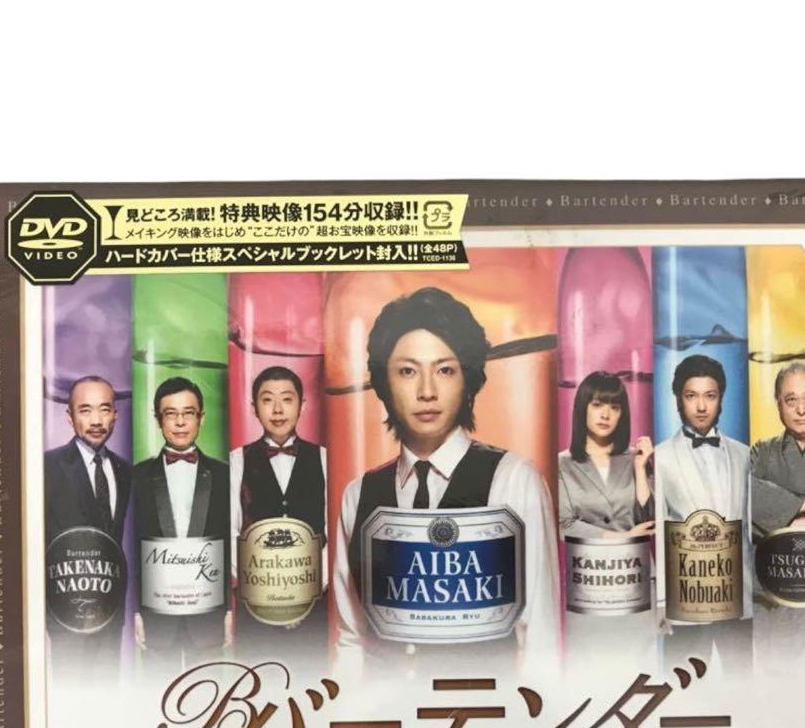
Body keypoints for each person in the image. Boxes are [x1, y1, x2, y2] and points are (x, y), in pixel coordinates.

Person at [332, 287, 559, 677]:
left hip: (481, 709)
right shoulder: (358, 495)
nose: (427, 391)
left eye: (445, 370)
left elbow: (541, 646)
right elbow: (351, 641)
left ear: (467, 377)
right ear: (383, 382)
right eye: (408, 371)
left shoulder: (514, 482)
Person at [654, 353, 752, 669]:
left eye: (709, 396)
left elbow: (750, 530)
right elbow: (656, 533)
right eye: (691, 396)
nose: (700, 406)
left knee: (742, 683)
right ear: (678, 399)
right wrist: (660, 600)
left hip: (737, 599)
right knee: (683, 687)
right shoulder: (660, 457)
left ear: (721, 398)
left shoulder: (744, 455)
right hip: (685, 602)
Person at [230, 366, 328, 672]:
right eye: (267, 400)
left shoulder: (325, 458)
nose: (277, 409)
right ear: (254, 409)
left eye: (286, 399)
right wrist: (259, 587)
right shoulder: (236, 460)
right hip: (255, 604)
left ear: (302, 406)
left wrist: (309, 587)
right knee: (256, 681)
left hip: (313, 602)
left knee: (310, 681)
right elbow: (231, 530)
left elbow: (332, 529)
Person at [133, 376, 231, 675]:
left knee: (211, 694)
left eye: (188, 413)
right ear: (157, 420)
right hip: (157, 617)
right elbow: (131, 546)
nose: (179, 422)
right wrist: (135, 610)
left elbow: (232, 543)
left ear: (201, 418)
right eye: (170, 414)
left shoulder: (226, 475)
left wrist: (230, 610)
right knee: (157, 695)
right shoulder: (136, 477)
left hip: (209, 617)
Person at [44, 376, 132, 669]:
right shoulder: (47, 467)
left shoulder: (124, 470)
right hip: (66, 615)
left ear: (115, 415)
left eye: (104, 409)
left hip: (111, 613)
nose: (96, 420)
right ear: (69, 417)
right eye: (85, 410)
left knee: (107, 690)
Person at [558, 370, 653, 540]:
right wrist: (623, 537)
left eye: (614, 407)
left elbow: (650, 522)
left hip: (635, 556)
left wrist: (640, 469)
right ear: (583, 408)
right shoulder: (562, 464)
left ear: (621, 414)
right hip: (587, 556)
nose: (605, 415)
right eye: (597, 405)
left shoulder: (637, 459)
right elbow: (564, 525)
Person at [751, 362, 805, 538]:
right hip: (773, 553)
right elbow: (739, 490)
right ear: (779, 404)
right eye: (791, 400)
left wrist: (780, 515)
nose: (801, 410)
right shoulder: (762, 451)